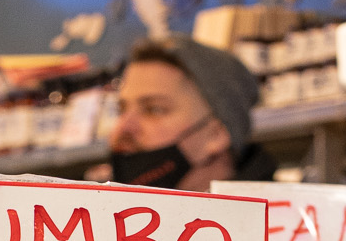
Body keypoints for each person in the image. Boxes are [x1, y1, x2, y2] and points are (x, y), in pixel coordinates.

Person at [108, 36, 275, 189]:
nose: (123, 128)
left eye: (154, 109)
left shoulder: (285, 218)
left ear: (216, 134)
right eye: (121, 110)